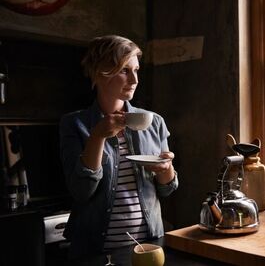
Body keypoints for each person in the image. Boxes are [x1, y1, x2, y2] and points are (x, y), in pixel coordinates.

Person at [59, 35, 178, 266]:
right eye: (124, 70)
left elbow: (167, 190)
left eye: (136, 70)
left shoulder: (154, 122)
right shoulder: (75, 124)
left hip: (148, 246)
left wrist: (166, 169)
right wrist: (98, 135)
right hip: (95, 251)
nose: (134, 79)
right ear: (100, 72)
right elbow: (81, 191)